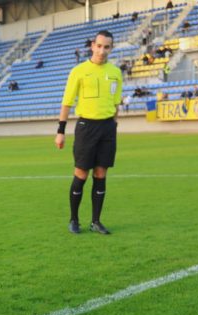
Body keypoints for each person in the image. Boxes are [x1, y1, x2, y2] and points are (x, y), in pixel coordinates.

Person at [54, 30, 123, 235]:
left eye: (107, 47)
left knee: (101, 174)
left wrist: (114, 125)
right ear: (93, 45)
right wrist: (61, 131)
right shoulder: (79, 71)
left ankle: (96, 221)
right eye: (99, 46)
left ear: (111, 48)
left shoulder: (116, 72)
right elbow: (67, 102)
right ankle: (74, 220)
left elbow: (116, 102)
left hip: (108, 128)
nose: (102, 51)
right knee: (81, 173)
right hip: (86, 127)